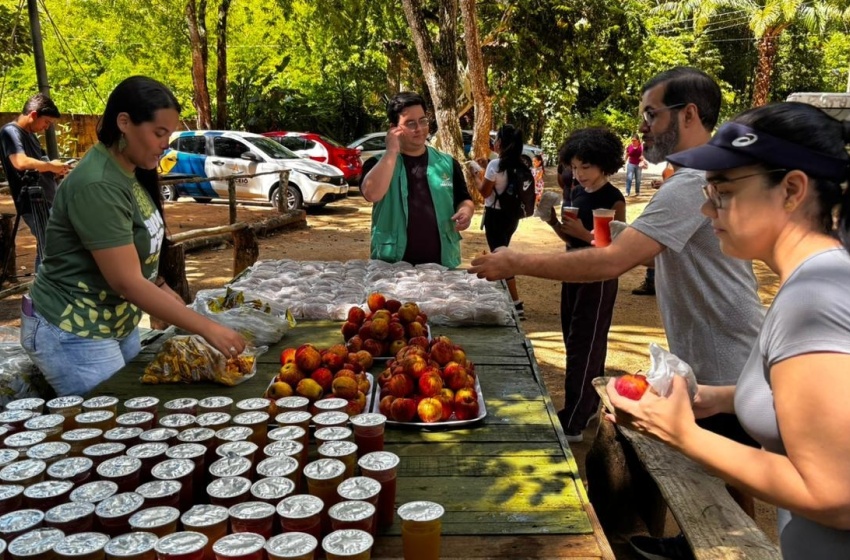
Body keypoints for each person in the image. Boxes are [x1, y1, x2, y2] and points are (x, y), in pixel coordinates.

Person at [469, 68, 765, 557]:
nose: (644, 126)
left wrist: (514, 260)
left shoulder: (691, 183)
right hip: (714, 346)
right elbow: (645, 248)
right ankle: (697, 543)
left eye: (652, 113)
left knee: (732, 470)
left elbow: (611, 263)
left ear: (689, 114)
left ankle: (729, 550)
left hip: (728, 353)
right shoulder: (693, 179)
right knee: (727, 469)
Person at [607, 102, 850, 559]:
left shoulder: (815, 297)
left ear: (792, 189)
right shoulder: (818, 279)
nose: (705, 206)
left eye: (721, 191)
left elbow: (835, 496)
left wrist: (683, 435)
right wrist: (717, 398)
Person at [19, 76, 246, 397]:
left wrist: (181, 310)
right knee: (114, 426)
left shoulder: (131, 171)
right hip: (73, 328)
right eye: (159, 133)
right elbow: (127, 281)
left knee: (136, 413)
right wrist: (206, 327)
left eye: (168, 133)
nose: (166, 143)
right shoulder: (97, 184)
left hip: (112, 321)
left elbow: (141, 268)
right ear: (124, 122)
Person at [545, 128, 625, 441]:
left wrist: (580, 233)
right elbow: (571, 238)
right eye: (574, 167)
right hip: (574, 274)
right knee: (574, 340)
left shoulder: (612, 198)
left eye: (585, 167)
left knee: (585, 346)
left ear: (604, 165)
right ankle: (588, 405)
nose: (578, 174)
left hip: (598, 278)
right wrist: (552, 221)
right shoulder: (579, 193)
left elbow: (612, 247)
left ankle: (574, 421)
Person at [360, 92, 475, 268]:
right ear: (394, 128)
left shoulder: (447, 163)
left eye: (423, 121)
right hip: (392, 265)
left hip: (441, 263)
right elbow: (372, 194)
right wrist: (391, 151)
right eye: (410, 123)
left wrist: (466, 211)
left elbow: (464, 198)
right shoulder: (377, 164)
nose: (419, 128)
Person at [0, 93, 71, 270]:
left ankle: (42, 291)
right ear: (33, 115)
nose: (46, 127)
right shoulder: (10, 132)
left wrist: (56, 171)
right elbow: (20, 162)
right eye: (46, 122)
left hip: (47, 198)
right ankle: (42, 292)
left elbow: (41, 164)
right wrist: (50, 166)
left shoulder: (31, 135)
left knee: (49, 246)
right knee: (49, 248)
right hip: (33, 202)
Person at [470, 124, 527, 317]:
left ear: (500, 143)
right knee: (501, 250)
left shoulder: (496, 165)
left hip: (495, 216)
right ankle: (505, 297)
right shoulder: (519, 165)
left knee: (499, 256)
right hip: (512, 216)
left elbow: (484, 191)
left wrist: (475, 173)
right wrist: (485, 168)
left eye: (495, 140)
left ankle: (516, 302)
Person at [632, 164, 675, 297]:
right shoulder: (673, 160)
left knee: (657, 241)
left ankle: (653, 281)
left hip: (672, 207)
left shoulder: (686, 161)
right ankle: (652, 280)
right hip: (667, 205)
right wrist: (663, 184)